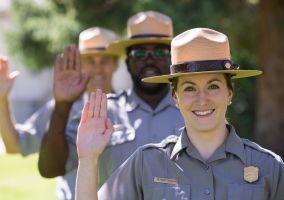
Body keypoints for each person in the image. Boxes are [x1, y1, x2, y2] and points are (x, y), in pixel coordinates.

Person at [75, 28, 284, 200]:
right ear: (175, 97)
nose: (202, 100)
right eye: (190, 88)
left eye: (213, 86)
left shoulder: (269, 167)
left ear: (229, 94)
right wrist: (87, 159)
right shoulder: (147, 162)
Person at [38, 10, 184, 194]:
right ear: (127, 61)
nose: (149, 60)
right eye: (139, 54)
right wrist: (63, 105)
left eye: (159, 52)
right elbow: (50, 168)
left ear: (172, 58)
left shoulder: (192, 110)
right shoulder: (102, 111)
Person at [0, 27, 120, 200]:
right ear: (80, 64)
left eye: (104, 60)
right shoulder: (60, 109)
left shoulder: (131, 109)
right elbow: (13, 145)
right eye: (90, 60)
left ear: (115, 64)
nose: (97, 68)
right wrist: (1, 99)